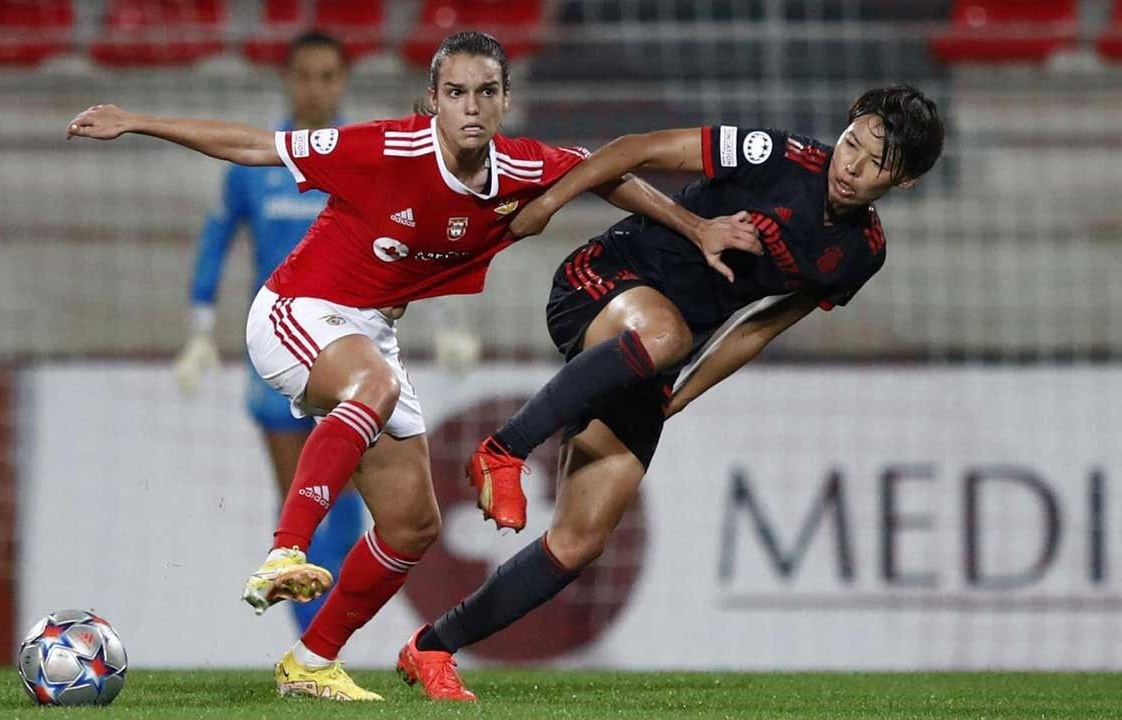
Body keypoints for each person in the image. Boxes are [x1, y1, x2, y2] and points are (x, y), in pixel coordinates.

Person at [66, 31, 759, 701]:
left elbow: (603, 173)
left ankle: (309, 663)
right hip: (297, 310)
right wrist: (135, 121)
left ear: (505, 101)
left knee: (412, 527)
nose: (472, 107)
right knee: (374, 384)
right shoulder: (384, 146)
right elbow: (257, 146)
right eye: (456, 92)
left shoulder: (517, 165)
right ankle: (286, 549)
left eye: (487, 92)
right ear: (432, 99)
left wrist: (695, 227)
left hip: (372, 333)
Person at [397, 85, 945, 701]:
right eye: (853, 143)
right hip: (604, 279)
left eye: (877, 164)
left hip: (661, 351)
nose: (852, 166)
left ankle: (431, 649)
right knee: (666, 333)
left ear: (905, 183)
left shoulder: (861, 253)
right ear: (845, 129)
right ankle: (504, 449)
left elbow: (762, 325)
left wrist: (680, 396)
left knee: (581, 540)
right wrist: (551, 204)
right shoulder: (775, 155)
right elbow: (635, 150)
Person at [172, 31, 365, 635]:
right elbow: (215, 239)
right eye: (305, 75)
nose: (316, 87)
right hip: (278, 355)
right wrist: (200, 327)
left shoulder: (364, 157)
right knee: (299, 508)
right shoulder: (260, 164)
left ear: (342, 82)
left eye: (327, 75)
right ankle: (311, 647)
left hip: (351, 349)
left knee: (353, 503)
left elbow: (415, 240)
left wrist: (445, 320)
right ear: (288, 81)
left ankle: (325, 639)